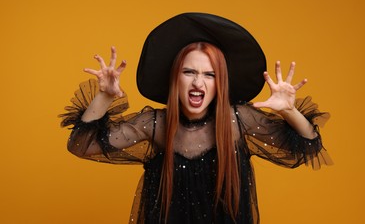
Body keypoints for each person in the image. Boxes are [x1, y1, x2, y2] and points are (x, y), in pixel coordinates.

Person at [60, 13, 332, 224]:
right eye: (189, 72)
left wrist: (288, 111)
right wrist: (105, 97)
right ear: (175, 79)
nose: (198, 82)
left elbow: (308, 147)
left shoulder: (239, 120)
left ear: (219, 83)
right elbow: (80, 145)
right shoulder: (154, 125)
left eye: (209, 74)